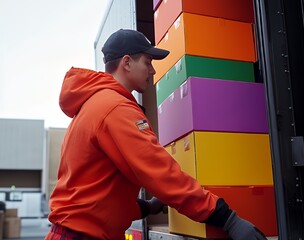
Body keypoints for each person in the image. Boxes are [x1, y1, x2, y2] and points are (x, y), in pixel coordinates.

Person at [45, 29, 267, 240]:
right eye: (148, 62)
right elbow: (160, 172)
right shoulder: (115, 108)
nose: (152, 71)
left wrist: (147, 207)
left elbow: (94, 190)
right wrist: (227, 219)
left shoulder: (94, 105)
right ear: (127, 63)